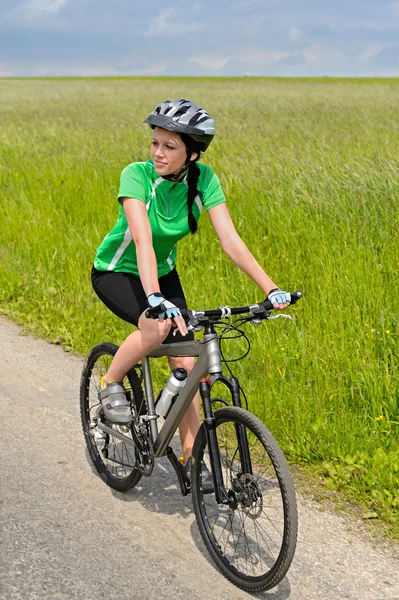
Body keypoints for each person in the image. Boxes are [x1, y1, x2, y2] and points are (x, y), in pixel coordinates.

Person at [91, 98, 290, 469]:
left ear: (192, 154)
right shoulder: (136, 175)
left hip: (162, 273)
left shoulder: (205, 180)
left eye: (169, 147)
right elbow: (143, 240)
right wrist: (153, 296)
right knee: (155, 328)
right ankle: (110, 382)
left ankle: (192, 458)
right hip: (117, 270)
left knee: (186, 358)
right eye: (155, 143)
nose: (157, 153)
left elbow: (230, 241)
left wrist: (270, 287)